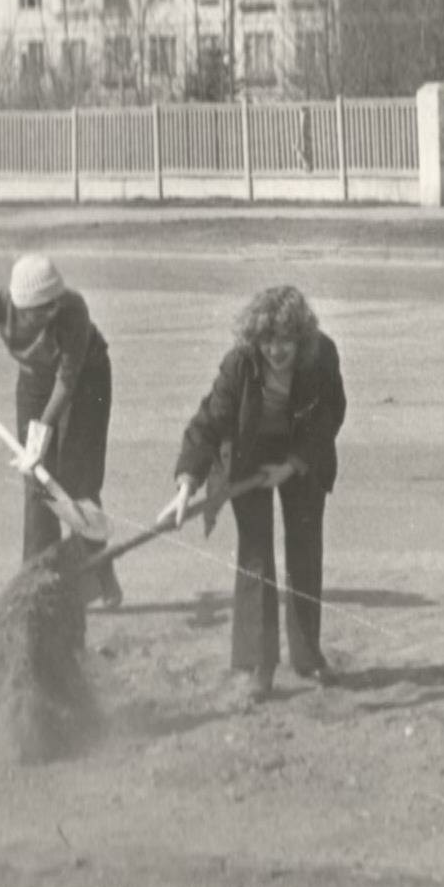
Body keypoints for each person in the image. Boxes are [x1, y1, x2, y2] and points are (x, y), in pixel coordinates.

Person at [158, 285, 347, 706]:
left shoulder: (322, 356)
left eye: (285, 341)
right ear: (253, 340)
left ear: (301, 338)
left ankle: (308, 654)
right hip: (248, 454)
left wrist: (293, 464)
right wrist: (187, 484)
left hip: (300, 451)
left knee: (304, 547)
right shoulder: (239, 364)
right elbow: (207, 423)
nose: (275, 351)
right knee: (256, 553)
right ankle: (260, 663)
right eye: (266, 341)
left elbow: (330, 415)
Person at [0, 254, 123, 607]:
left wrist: (40, 435)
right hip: (35, 380)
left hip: (86, 380)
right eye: (41, 310)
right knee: (37, 483)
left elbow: (67, 381)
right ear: (21, 306)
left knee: (76, 482)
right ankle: (39, 582)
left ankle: (99, 574)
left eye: (52, 306)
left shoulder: (72, 310)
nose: (49, 314)